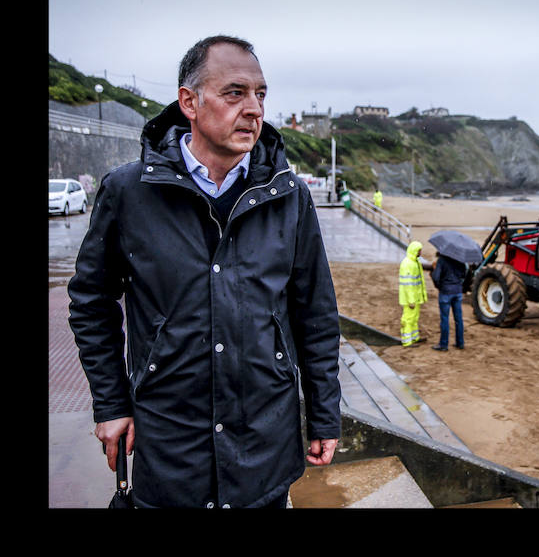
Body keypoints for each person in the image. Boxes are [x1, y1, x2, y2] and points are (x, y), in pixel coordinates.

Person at [67, 35, 342, 508]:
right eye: (235, 92)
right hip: (169, 446)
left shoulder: (289, 195)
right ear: (189, 102)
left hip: (265, 448)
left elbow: (315, 313)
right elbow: (91, 303)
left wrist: (323, 415)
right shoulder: (127, 192)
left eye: (261, 94)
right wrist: (111, 403)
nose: (254, 109)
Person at [430, 253, 467, 351]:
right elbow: (464, 274)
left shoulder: (442, 260)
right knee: (459, 319)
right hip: (457, 291)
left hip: (446, 292)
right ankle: (460, 343)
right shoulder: (460, 259)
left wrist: (439, 285)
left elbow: (436, 277)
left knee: (445, 319)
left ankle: (444, 344)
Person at [399, 240, 428, 347]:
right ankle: (407, 341)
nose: (421, 252)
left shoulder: (414, 262)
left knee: (414, 318)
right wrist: (411, 300)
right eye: (419, 250)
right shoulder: (408, 264)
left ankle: (414, 337)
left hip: (415, 297)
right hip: (410, 299)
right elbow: (408, 285)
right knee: (408, 319)